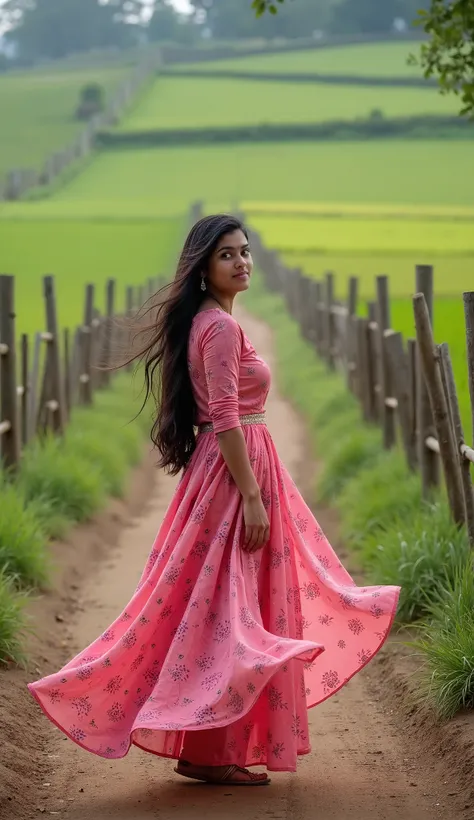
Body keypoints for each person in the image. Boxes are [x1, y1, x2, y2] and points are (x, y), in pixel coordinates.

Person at [28, 214, 400, 787]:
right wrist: (252, 496)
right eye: (227, 254)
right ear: (203, 266)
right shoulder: (219, 328)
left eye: (245, 252)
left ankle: (206, 743)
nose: (242, 262)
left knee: (218, 605)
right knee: (230, 608)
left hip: (225, 469)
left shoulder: (211, 321)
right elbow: (225, 416)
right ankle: (210, 748)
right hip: (233, 475)